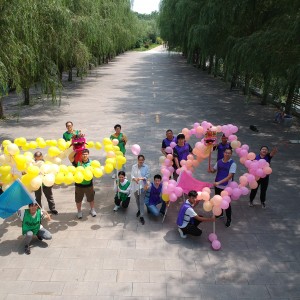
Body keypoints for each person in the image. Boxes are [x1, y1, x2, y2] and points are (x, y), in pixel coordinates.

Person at [209, 148, 236, 227]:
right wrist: (210, 169)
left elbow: (229, 176)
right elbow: (214, 170)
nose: (227, 154)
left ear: (231, 154)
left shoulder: (233, 164)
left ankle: (229, 219)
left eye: (229, 153)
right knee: (218, 201)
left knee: (227, 203)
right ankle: (219, 214)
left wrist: (218, 182)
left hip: (226, 187)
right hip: (218, 186)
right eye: (226, 152)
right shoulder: (219, 162)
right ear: (224, 153)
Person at [69, 149, 97, 219]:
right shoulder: (77, 162)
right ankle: (79, 211)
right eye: (83, 154)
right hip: (79, 185)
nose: (85, 155)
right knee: (78, 199)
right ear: (81, 155)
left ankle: (92, 210)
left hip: (89, 184)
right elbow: (70, 157)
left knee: (91, 198)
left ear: (88, 154)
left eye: (86, 154)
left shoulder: (92, 163)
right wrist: (77, 150)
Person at [131, 154, 150, 225]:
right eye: (140, 160)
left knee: (141, 201)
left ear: (144, 160)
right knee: (137, 199)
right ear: (138, 160)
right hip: (135, 186)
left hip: (142, 186)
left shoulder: (146, 167)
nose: (141, 161)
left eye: (142, 160)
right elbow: (132, 175)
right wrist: (134, 179)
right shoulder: (134, 167)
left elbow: (147, 175)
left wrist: (141, 178)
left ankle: (141, 216)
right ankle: (139, 210)